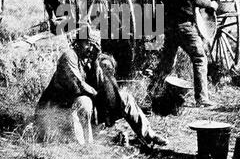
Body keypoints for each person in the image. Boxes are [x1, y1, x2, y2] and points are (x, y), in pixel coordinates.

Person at [35, 24, 168, 146]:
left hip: (75, 115)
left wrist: (96, 63)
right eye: (87, 44)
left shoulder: (90, 60)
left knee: (125, 97)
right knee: (84, 102)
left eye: (95, 45)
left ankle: (148, 135)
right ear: (78, 43)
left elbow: (105, 86)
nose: (90, 48)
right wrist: (101, 96)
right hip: (54, 113)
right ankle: (85, 147)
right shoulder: (69, 56)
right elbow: (79, 87)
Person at [148, 0, 219, 111]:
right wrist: (211, 4)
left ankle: (151, 92)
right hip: (185, 27)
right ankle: (202, 99)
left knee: (167, 62)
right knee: (200, 58)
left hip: (169, 26)